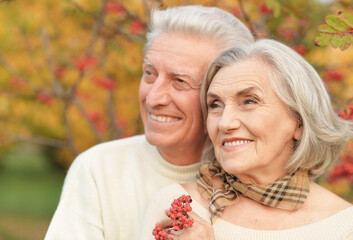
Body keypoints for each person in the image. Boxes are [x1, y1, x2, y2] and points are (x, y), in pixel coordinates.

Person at [45, 5, 254, 240]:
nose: (153, 98)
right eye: (149, 73)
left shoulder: (260, 179)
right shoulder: (98, 170)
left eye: (180, 81)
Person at [142, 39, 353, 240]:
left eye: (249, 101)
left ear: (300, 122)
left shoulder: (349, 228)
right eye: (215, 105)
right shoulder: (179, 207)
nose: (225, 123)